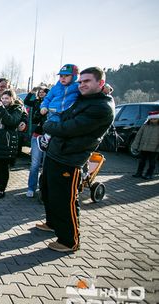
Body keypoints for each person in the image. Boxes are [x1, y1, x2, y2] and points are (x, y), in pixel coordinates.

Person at [38, 67, 114, 252]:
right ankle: (52, 223)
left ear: (100, 83)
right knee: (47, 190)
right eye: (80, 81)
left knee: (65, 199)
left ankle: (69, 240)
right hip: (55, 152)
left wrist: (48, 125)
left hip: (69, 159)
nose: (81, 85)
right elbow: (63, 114)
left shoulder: (101, 107)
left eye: (87, 81)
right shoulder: (83, 99)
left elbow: (68, 128)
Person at [37, 64, 80, 151]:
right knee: (54, 124)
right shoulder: (55, 88)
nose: (63, 78)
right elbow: (47, 99)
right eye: (61, 76)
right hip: (54, 111)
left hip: (68, 113)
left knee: (66, 127)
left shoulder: (78, 87)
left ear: (75, 76)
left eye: (67, 75)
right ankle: (46, 138)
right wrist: (43, 107)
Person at [23, 86, 50, 198]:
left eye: (43, 92)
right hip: (37, 135)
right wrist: (32, 92)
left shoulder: (51, 103)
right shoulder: (36, 102)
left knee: (46, 165)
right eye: (40, 92)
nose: (41, 93)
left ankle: (44, 189)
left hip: (49, 135)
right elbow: (26, 101)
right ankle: (31, 188)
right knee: (35, 163)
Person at [131, 111, 159, 179]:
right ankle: (139, 173)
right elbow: (139, 135)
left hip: (154, 148)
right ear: (149, 119)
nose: (153, 120)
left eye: (155, 119)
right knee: (141, 161)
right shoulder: (145, 125)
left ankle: (149, 174)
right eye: (152, 119)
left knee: (152, 163)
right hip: (143, 147)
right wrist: (135, 145)